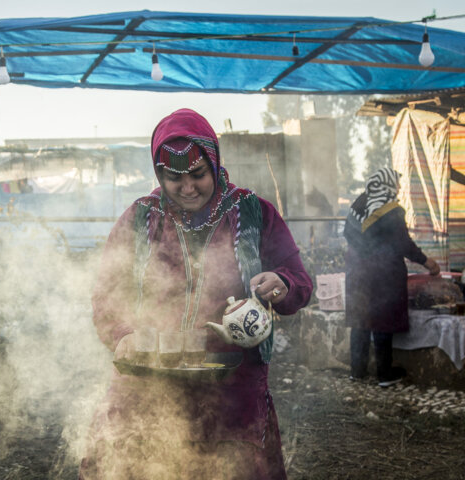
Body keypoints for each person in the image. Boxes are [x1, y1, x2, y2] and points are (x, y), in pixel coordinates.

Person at [79, 109, 312, 479]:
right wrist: (122, 334)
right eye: (174, 178)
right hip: (147, 388)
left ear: (215, 163)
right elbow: (106, 295)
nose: (188, 187)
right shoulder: (140, 218)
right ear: (159, 174)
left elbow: (299, 281)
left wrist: (283, 284)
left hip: (232, 392)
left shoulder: (253, 213)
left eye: (198, 175)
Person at [344, 167, 440, 388]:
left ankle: (356, 372)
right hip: (382, 275)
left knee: (361, 320)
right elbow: (403, 244)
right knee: (381, 321)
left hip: (357, 273)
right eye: (396, 184)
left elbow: (347, 234)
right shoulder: (391, 210)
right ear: (388, 185)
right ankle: (385, 374)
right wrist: (427, 262)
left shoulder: (359, 205)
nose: (398, 188)